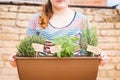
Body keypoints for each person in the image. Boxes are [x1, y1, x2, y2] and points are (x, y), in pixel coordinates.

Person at [9, 0, 107, 67]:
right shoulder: (36, 20)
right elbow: (27, 52)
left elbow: (88, 51)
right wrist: (17, 58)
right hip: (42, 73)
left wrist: (99, 56)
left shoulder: (82, 20)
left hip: (74, 73)